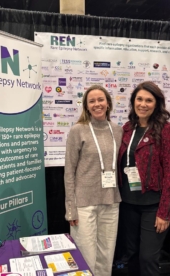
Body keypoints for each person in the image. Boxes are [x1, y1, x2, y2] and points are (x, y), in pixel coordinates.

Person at [117, 81, 170, 276]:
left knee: (148, 258)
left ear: (157, 104)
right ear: (133, 101)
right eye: (139, 99)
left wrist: (165, 212)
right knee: (132, 255)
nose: (143, 104)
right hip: (127, 203)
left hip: (153, 206)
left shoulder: (165, 130)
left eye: (149, 100)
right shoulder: (127, 128)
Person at [64, 84, 123, 276]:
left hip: (111, 200)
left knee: (106, 256)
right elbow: (69, 171)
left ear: (108, 103)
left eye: (100, 100)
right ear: (86, 106)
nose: (97, 104)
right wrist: (70, 208)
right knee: (85, 256)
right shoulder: (78, 130)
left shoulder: (117, 130)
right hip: (83, 204)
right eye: (92, 101)